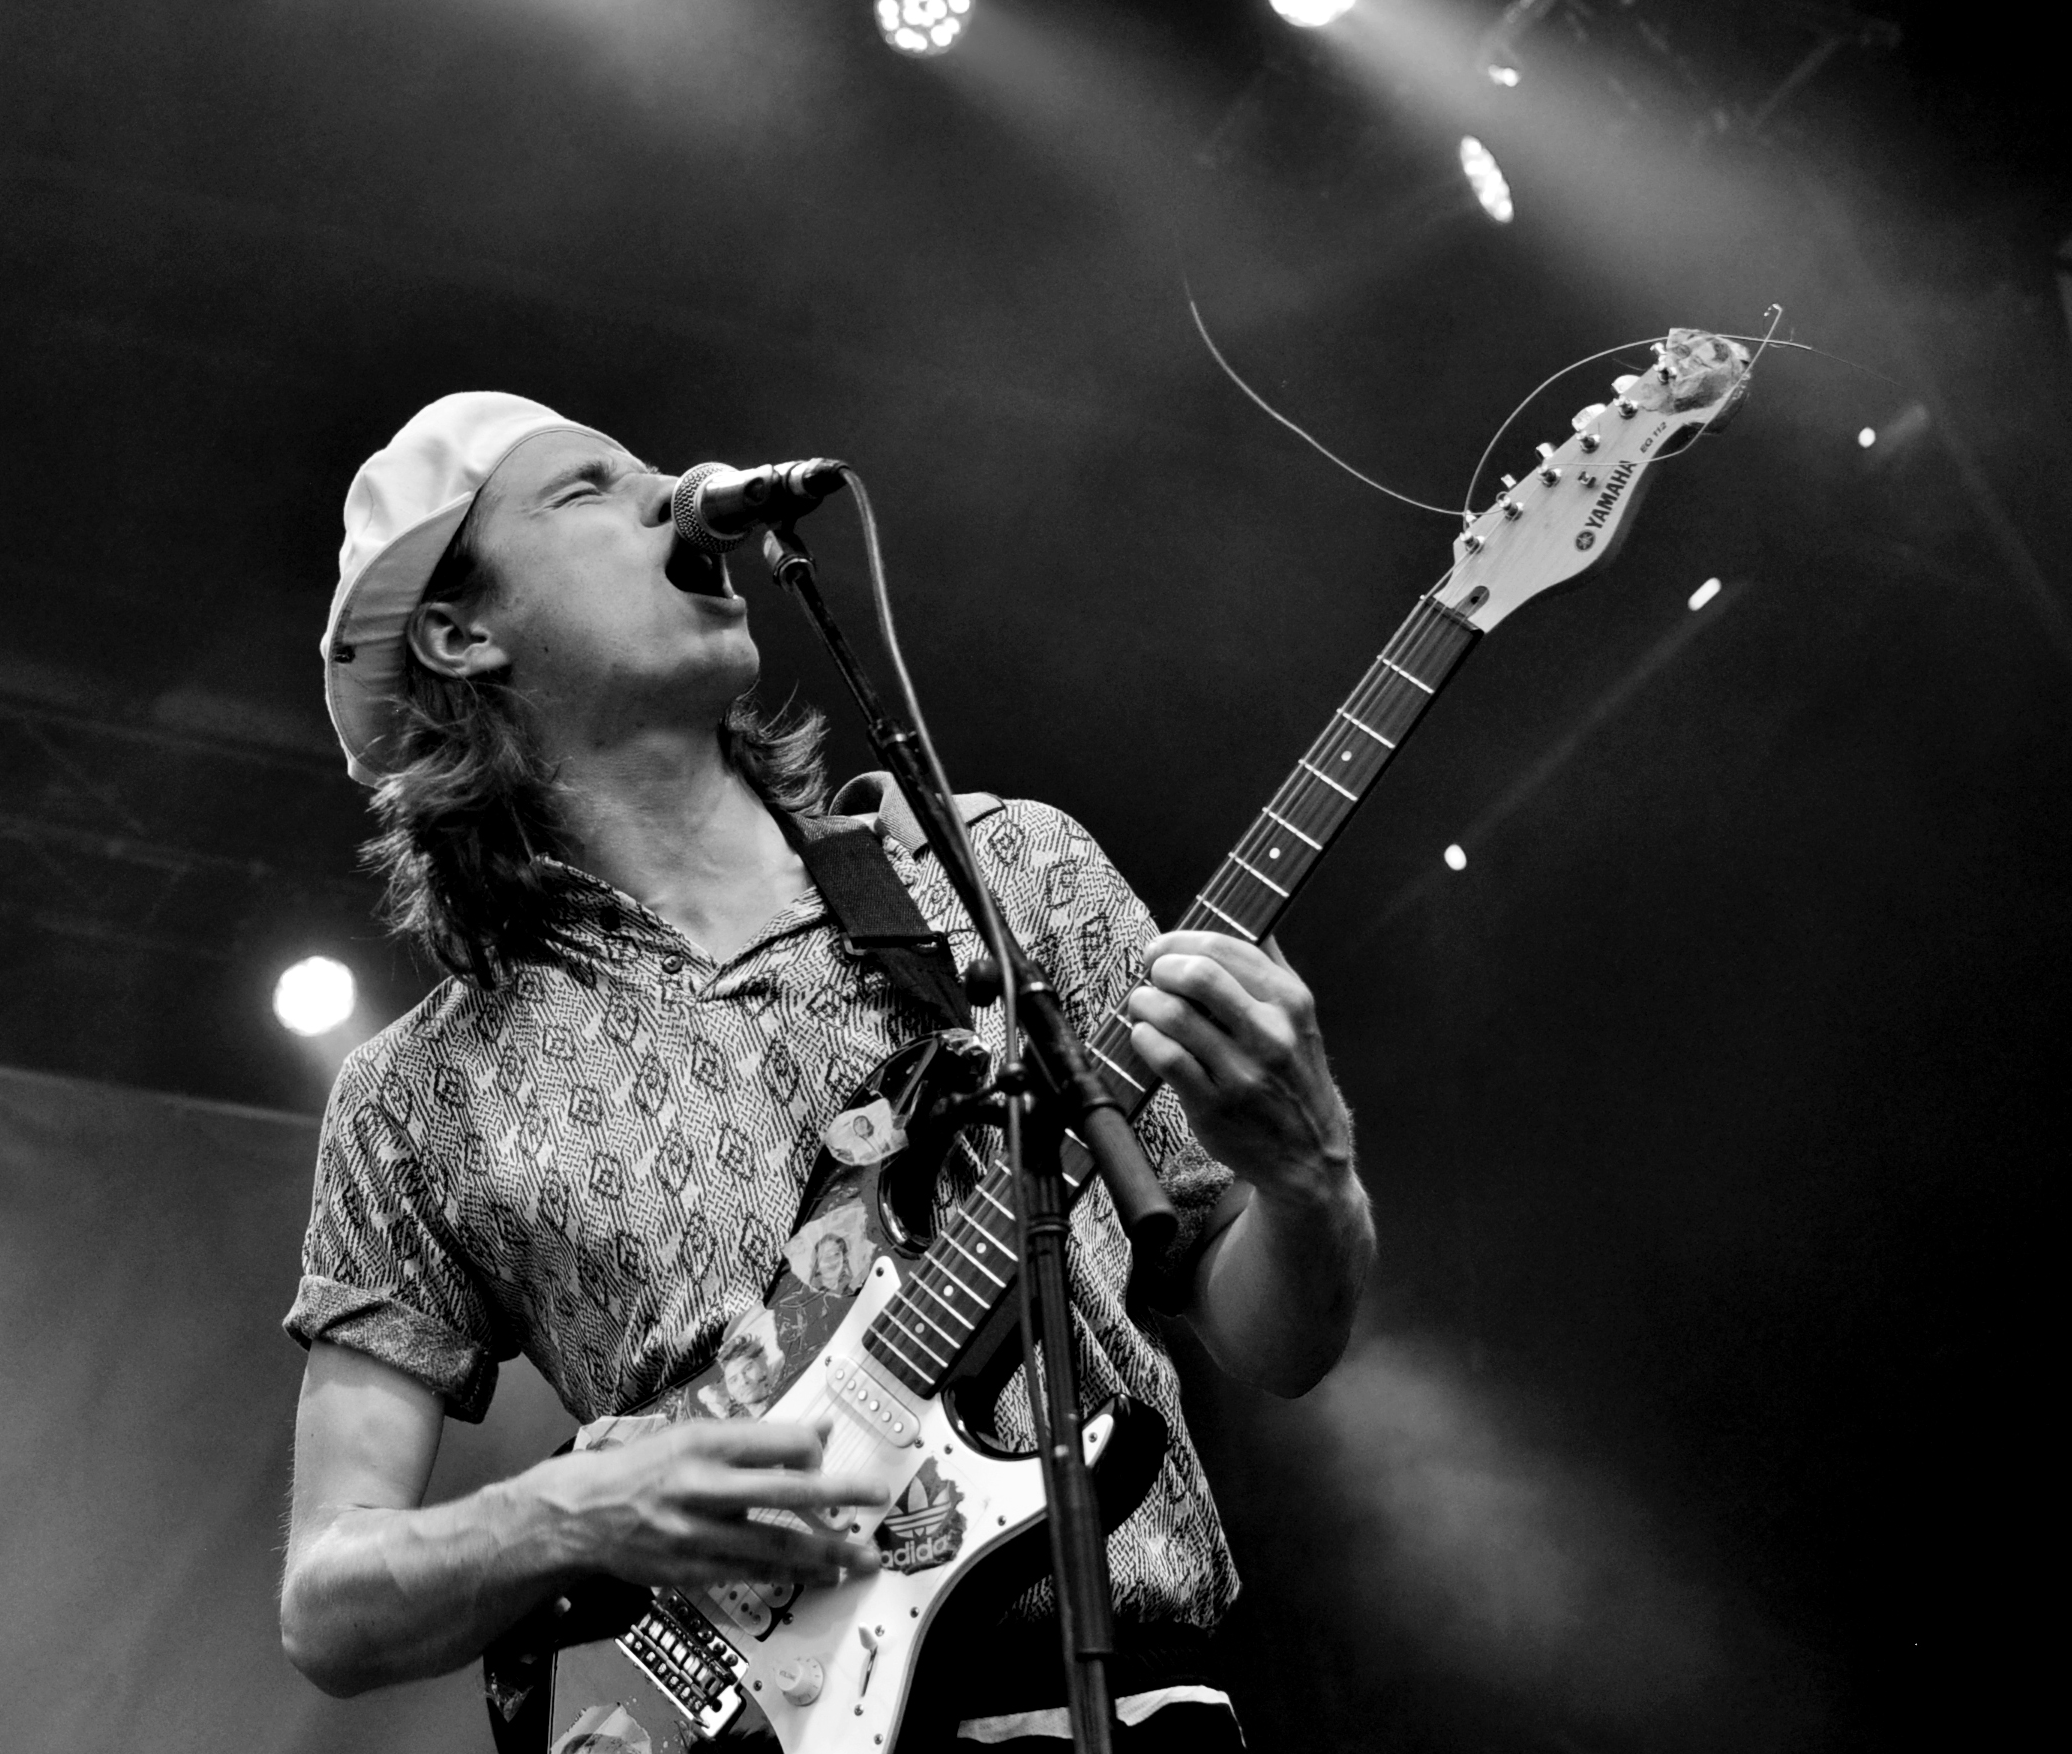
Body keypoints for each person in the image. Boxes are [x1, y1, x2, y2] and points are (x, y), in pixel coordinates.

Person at [279, 394, 1377, 1748]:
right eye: (584, 488)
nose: (674, 487)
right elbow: (328, 1601)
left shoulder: (1006, 878)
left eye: (652, 465)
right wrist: (572, 1510)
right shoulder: (421, 1091)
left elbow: (1278, 1343)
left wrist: (1311, 1177)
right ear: (460, 632)